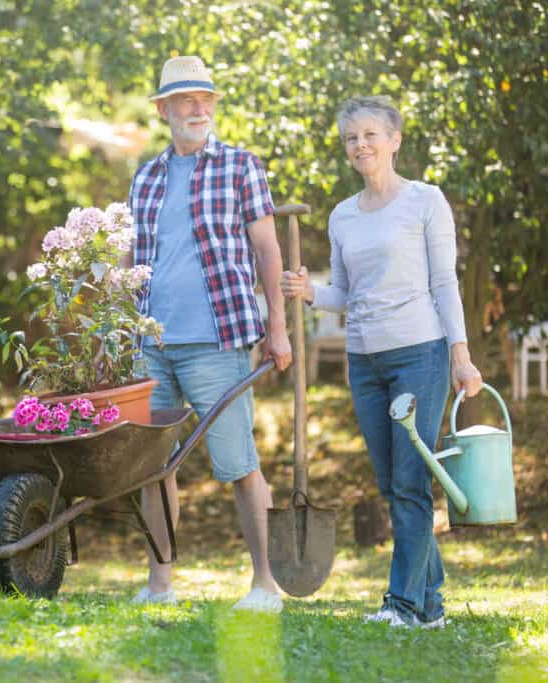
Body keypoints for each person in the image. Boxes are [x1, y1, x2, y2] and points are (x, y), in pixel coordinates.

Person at [281, 95, 482, 628]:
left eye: (371, 134)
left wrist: (461, 357)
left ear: (395, 140)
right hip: (363, 360)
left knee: (411, 482)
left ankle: (402, 604)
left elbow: (445, 283)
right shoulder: (343, 215)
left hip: (420, 353)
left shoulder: (425, 201)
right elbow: (344, 293)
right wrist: (308, 290)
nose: (360, 144)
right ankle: (431, 607)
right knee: (393, 486)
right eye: (351, 137)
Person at [126, 55, 292, 612]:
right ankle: (160, 585)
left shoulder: (241, 166)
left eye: (206, 100)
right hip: (152, 346)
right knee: (153, 468)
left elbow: (267, 250)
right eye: (186, 100)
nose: (199, 109)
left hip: (219, 340)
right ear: (164, 110)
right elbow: (133, 260)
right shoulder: (146, 176)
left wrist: (279, 328)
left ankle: (266, 584)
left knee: (239, 464)